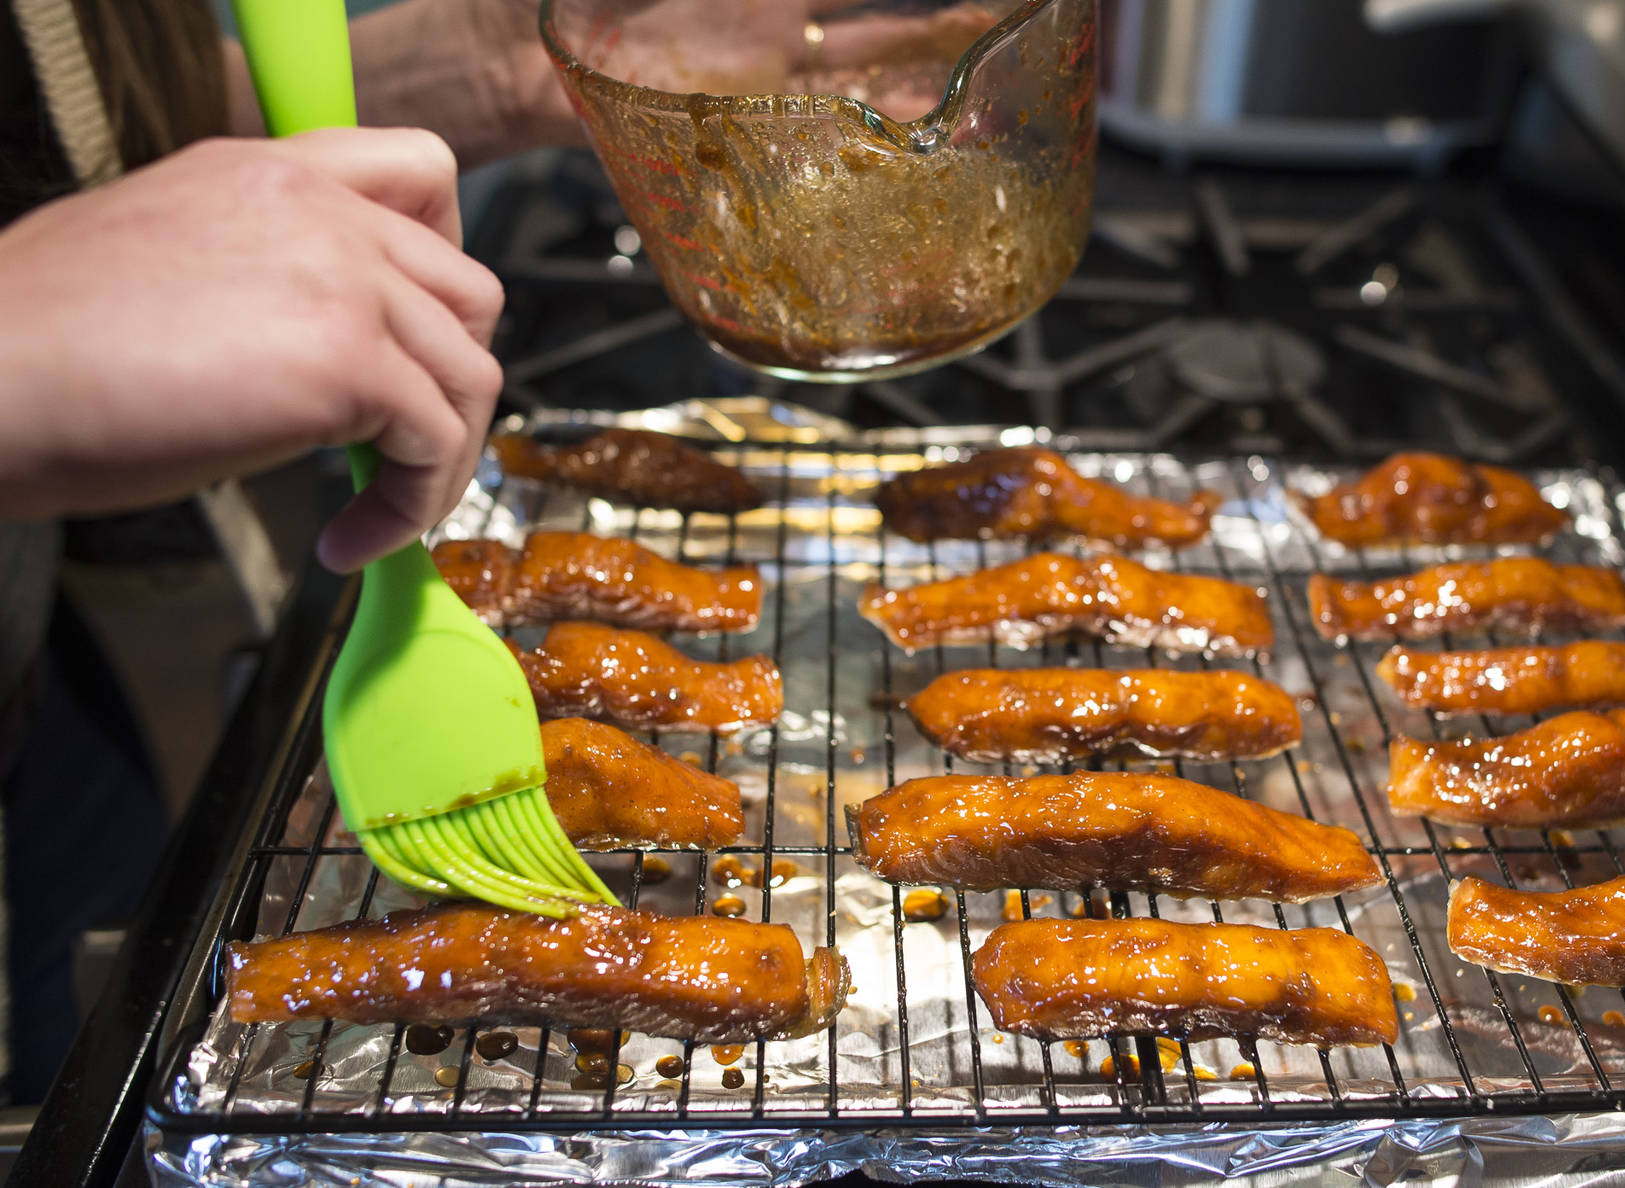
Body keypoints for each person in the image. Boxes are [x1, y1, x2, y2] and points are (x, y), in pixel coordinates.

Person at [0, 0, 994, 1101]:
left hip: (38, 676)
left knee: (81, 990)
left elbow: (72, 131)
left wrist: (494, 67)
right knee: (61, 1062)